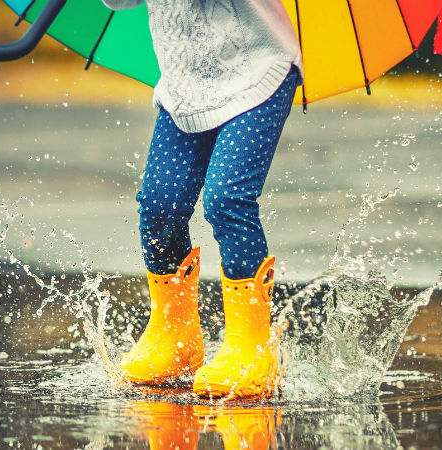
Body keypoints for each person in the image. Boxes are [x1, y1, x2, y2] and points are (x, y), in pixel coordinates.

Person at [101, 0, 303, 400]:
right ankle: (174, 338)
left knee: (227, 200)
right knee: (160, 207)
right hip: (185, 88)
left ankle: (252, 346)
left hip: (256, 70)